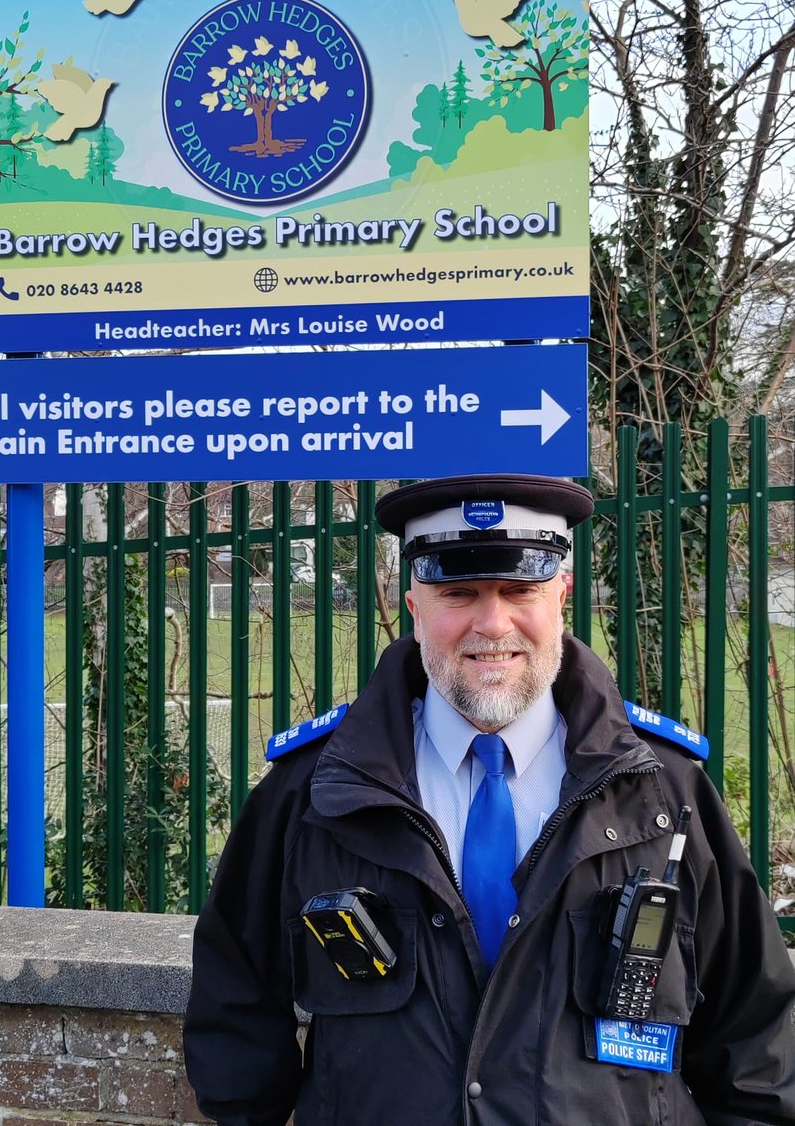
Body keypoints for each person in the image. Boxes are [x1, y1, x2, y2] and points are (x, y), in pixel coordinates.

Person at [183, 473, 795, 1126]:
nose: (491, 622)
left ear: (562, 593)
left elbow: (753, 1042)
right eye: (459, 592)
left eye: (519, 589)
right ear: (415, 605)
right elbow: (236, 1013)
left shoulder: (662, 790)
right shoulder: (314, 791)